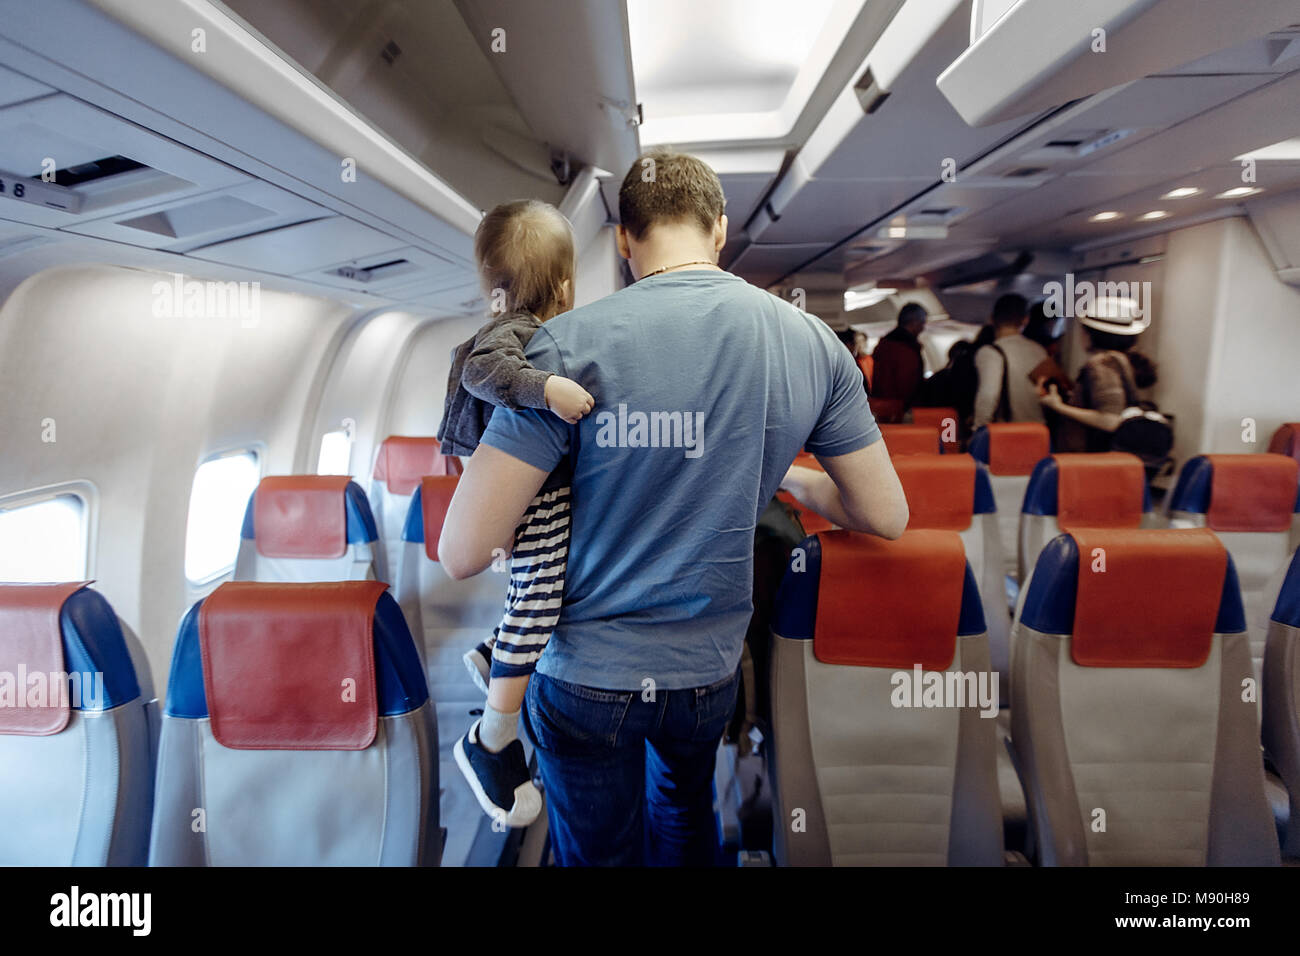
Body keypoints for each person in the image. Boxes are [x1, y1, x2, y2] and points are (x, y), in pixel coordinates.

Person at [437, 148, 908, 866]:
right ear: (719, 230)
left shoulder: (560, 348)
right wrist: (793, 478)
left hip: (585, 676)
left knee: (600, 854)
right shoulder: (812, 342)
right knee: (685, 818)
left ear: (625, 242)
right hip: (707, 672)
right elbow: (886, 515)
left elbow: (464, 550)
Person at [435, 199, 595, 829]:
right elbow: (482, 372)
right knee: (540, 598)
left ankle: (491, 650)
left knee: (539, 587)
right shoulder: (519, 331)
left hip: (521, 489)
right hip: (527, 491)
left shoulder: (517, 322)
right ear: (563, 284)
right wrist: (546, 389)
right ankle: (490, 741)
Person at [1040, 306, 1158, 452]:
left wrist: (1058, 406)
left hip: (1091, 453)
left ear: (1090, 334)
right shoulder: (1122, 361)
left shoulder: (1101, 365)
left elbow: (1110, 420)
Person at [973, 293, 1049, 428]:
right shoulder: (1040, 351)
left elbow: (988, 395)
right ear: (1025, 320)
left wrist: (978, 430)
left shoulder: (990, 353)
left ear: (991, 319)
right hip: (1039, 432)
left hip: (1008, 434)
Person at [869, 303, 927, 408]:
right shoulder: (906, 349)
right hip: (900, 409)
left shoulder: (884, 345)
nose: (923, 328)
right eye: (922, 323)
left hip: (882, 406)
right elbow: (907, 385)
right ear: (913, 322)